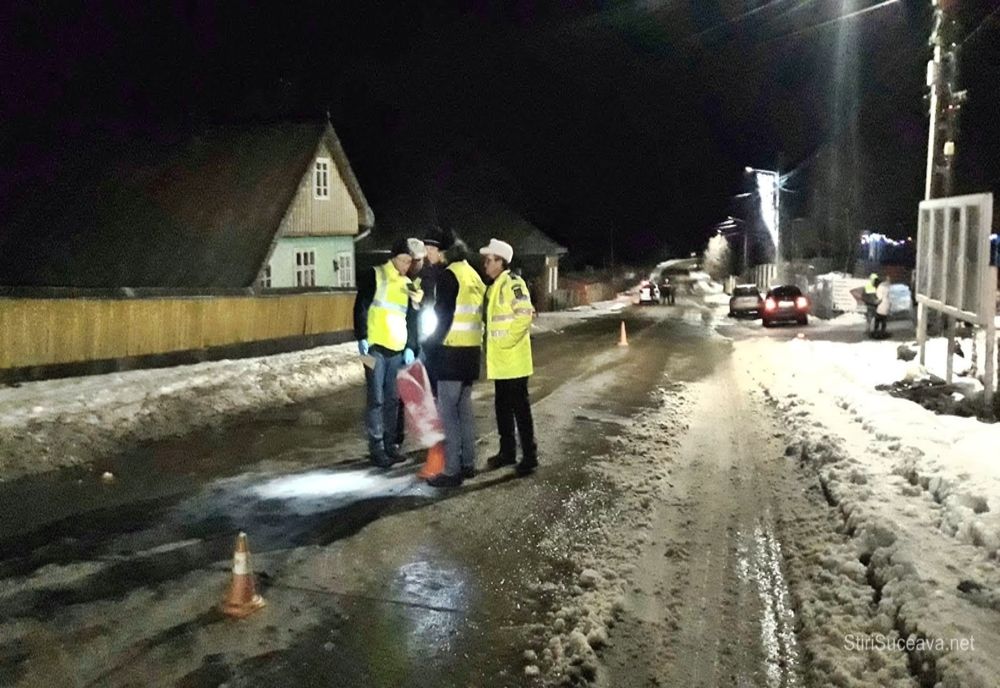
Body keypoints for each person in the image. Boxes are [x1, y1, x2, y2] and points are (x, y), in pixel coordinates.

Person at [423, 239, 487, 488]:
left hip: (451, 352)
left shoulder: (450, 276)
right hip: (471, 351)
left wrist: (430, 344)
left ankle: (451, 470)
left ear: (446, 253)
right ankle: (468, 463)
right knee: (465, 411)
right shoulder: (473, 275)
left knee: (448, 413)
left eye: (436, 251)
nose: (433, 254)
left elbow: (443, 315)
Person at [353, 238, 419, 467]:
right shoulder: (375, 275)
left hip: (397, 351)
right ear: (393, 257)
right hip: (371, 350)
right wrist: (361, 336)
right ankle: (377, 448)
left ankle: (391, 445)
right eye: (403, 260)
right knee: (376, 399)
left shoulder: (409, 284)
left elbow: (412, 317)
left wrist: (411, 345)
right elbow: (360, 305)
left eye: (410, 262)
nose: (406, 265)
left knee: (393, 399)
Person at [480, 238, 538, 476]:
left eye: (489, 260)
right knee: (502, 409)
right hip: (502, 363)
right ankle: (507, 453)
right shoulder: (494, 286)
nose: (485, 264)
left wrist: (505, 342)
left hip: (513, 361)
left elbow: (524, 315)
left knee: (520, 411)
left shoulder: (513, 283)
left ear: (501, 262)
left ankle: (530, 456)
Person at [394, 238, 427, 448]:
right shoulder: (397, 279)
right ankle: (396, 437)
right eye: (412, 261)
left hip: (418, 343)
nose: (414, 265)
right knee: (397, 393)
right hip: (399, 341)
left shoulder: (424, 280)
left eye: (417, 261)